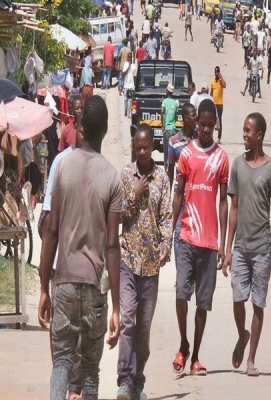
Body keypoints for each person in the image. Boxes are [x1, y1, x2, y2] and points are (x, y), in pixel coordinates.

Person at [38, 95, 123, 400]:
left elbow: (51, 232)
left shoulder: (62, 167)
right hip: (95, 288)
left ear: (82, 127)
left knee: (61, 362)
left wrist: (44, 287)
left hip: (63, 283)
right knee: (89, 370)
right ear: (105, 129)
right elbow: (112, 246)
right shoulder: (113, 179)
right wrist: (116, 306)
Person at [222, 112, 271, 377]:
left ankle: (251, 360)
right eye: (244, 130)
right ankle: (242, 334)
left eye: (248, 130)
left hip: (263, 249)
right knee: (238, 299)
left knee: (258, 304)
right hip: (240, 248)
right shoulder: (237, 165)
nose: (244, 134)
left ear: (259, 135)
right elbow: (233, 208)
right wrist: (227, 249)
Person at [171, 99, 229, 376]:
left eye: (210, 125)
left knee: (203, 303)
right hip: (186, 236)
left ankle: (195, 354)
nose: (205, 129)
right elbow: (178, 194)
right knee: (182, 292)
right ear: (196, 123)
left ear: (215, 125)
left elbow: (224, 203)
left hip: (209, 241)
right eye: (202, 124)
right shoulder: (186, 155)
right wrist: (170, 228)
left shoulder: (222, 158)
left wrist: (222, 243)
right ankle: (182, 342)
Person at [117, 125, 172, 400]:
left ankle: (138, 380)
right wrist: (134, 193)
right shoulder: (126, 176)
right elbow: (117, 215)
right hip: (127, 259)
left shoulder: (162, 177)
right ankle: (124, 381)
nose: (141, 152)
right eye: (137, 148)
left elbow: (166, 217)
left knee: (143, 327)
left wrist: (166, 245)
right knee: (128, 320)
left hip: (150, 265)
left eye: (146, 147)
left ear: (153, 147)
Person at [40, 116, 85, 400]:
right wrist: (43, 279)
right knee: (59, 330)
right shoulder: (60, 163)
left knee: (81, 331)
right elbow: (48, 223)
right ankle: (62, 374)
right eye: (78, 128)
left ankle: (74, 387)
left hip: (85, 268)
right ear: (72, 130)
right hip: (60, 265)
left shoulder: (100, 167)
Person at [167, 103, 198, 263]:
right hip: (180, 193)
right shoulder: (173, 141)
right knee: (178, 230)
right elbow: (170, 169)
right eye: (193, 115)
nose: (196, 118)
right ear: (185, 118)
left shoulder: (198, 139)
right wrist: (169, 193)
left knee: (194, 231)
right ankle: (182, 271)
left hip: (195, 194)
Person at [161, 84, 180, 166]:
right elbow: (176, 116)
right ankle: (171, 168)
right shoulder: (175, 103)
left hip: (167, 130)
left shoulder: (164, 101)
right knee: (172, 151)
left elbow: (162, 112)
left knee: (166, 151)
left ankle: (166, 168)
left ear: (168, 91)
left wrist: (163, 126)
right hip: (173, 129)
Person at [210, 66, 226, 144]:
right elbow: (211, 92)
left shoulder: (220, 81)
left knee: (219, 120)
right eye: (215, 72)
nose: (216, 73)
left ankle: (219, 138)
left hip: (219, 104)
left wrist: (221, 77)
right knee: (212, 121)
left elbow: (225, 85)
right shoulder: (213, 81)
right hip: (213, 103)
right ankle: (211, 136)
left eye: (217, 72)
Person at [122, 53, 137, 118]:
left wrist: (135, 86)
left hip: (131, 86)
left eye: (131, 58)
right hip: (126, 85)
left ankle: (128, 114)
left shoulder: (134, 66)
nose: (130, 59)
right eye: (129, 58)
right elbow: (123, 74)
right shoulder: (125, 64)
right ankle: (125, 111)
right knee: (125, 100)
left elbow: (135, 76)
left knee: (130, 101)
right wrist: (128, 67)